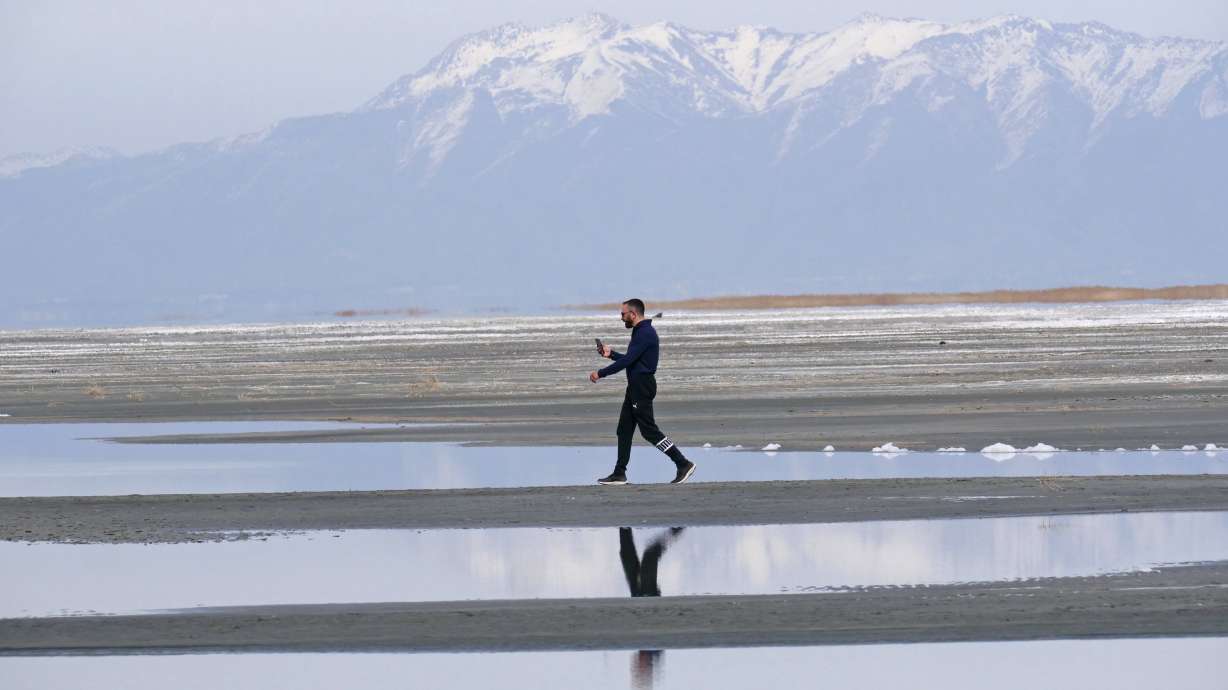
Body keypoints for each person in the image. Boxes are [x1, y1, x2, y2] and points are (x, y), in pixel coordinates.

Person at [589, 299, 696, 485]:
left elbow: (627, 362)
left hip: (642, 387)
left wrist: (600, 373)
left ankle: (683, 463)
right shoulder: (640, 332)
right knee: (624, 430)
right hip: (635, 387)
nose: (621, 317)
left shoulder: (645, 333)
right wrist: (611, 354)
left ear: (634, 314)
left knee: (649, 431)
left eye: (623, 314)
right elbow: (633, 360)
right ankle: (619, 474)